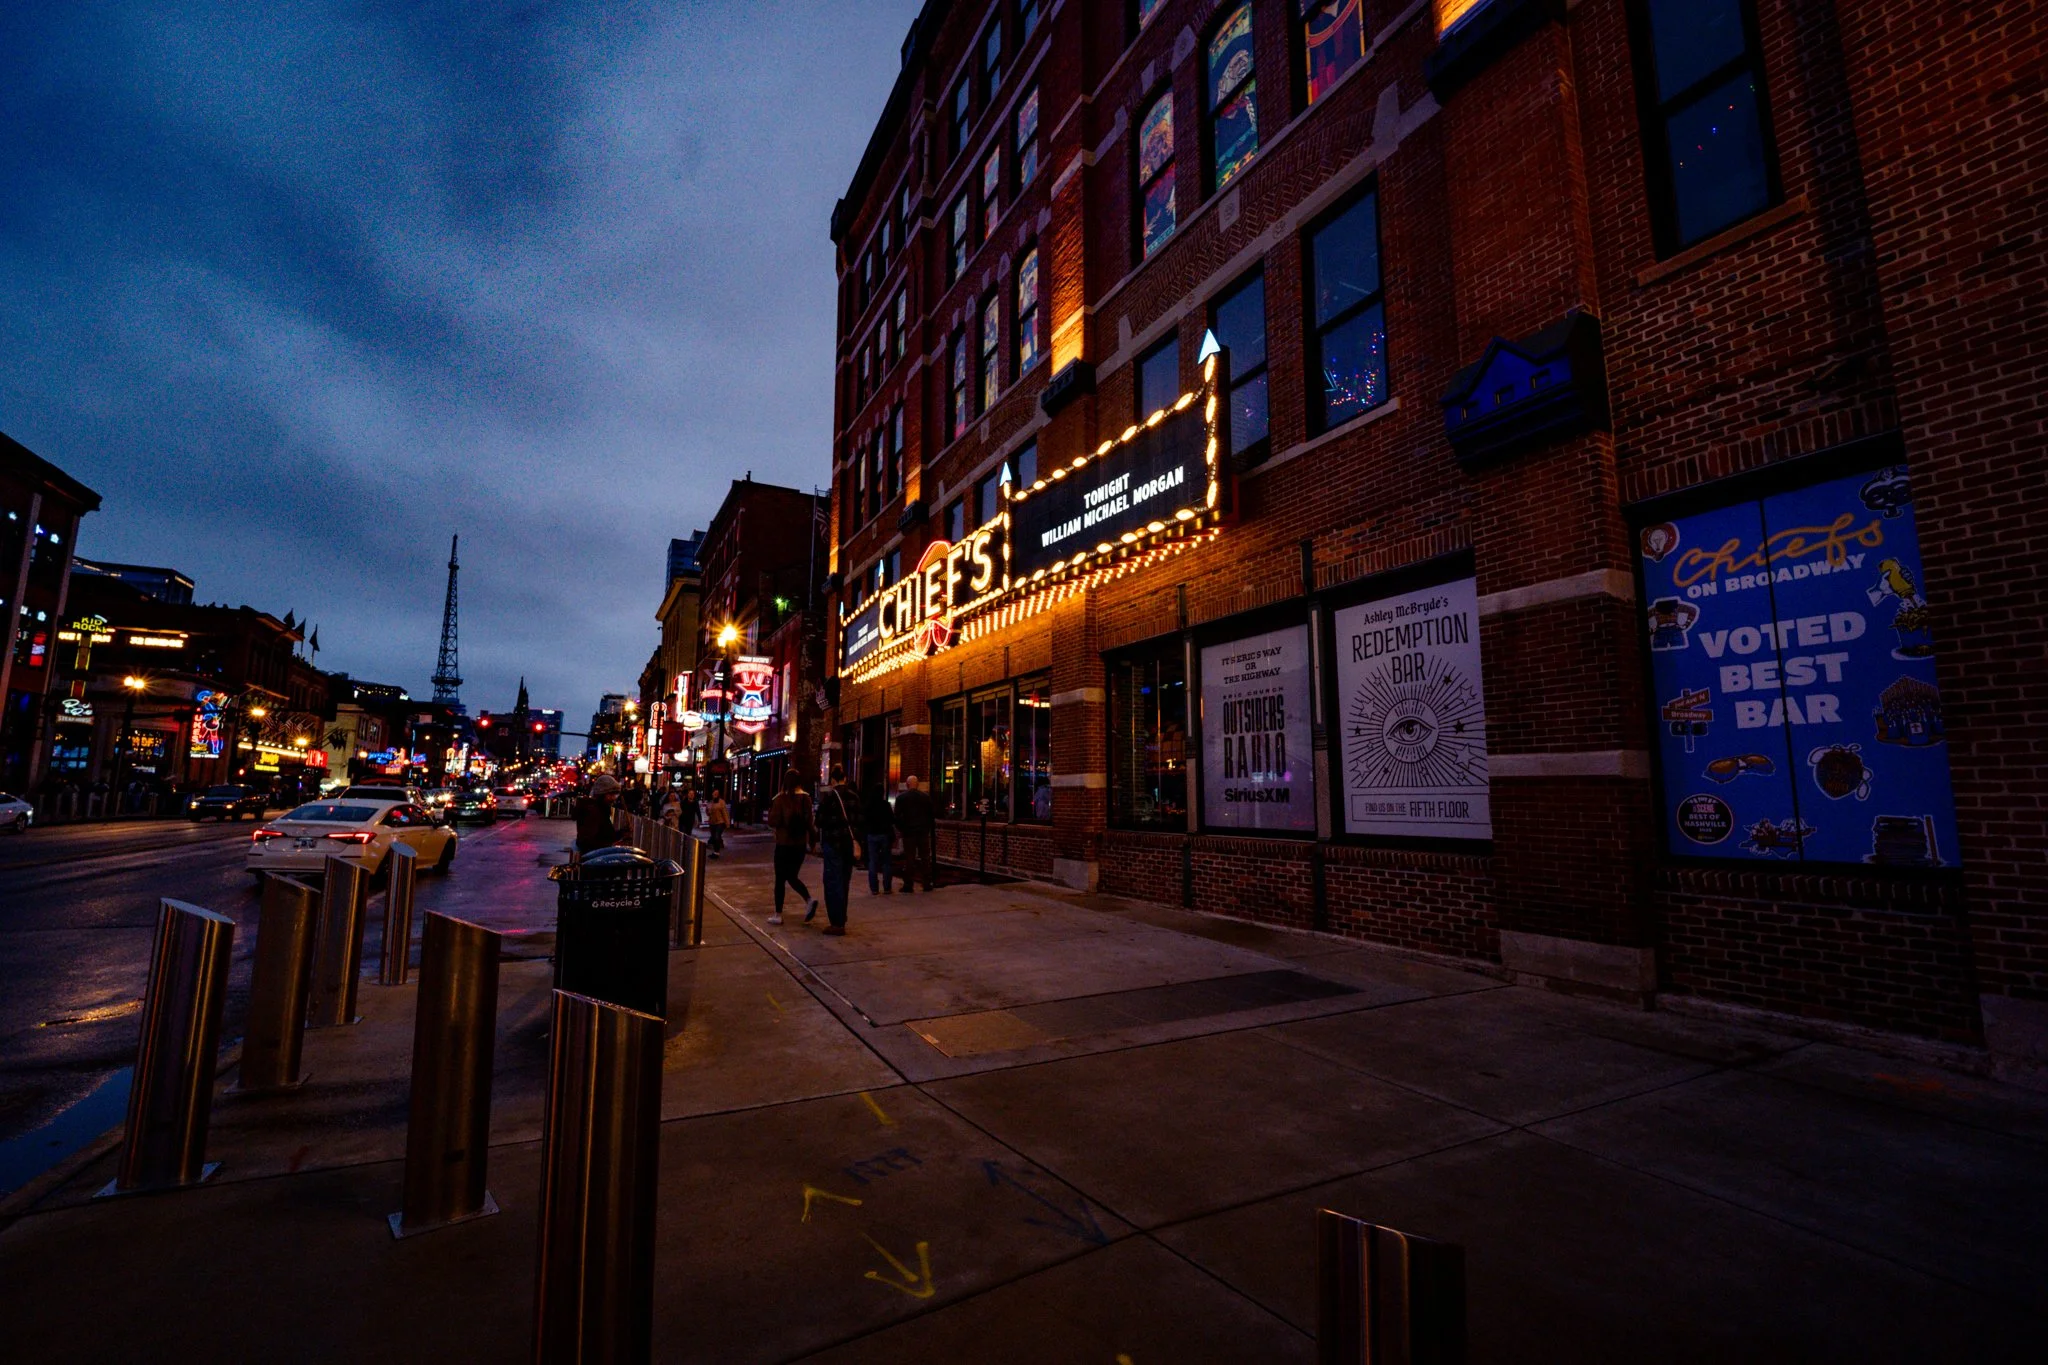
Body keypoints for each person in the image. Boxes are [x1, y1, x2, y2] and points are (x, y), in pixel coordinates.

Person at [765, 770, 820, 926]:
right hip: (800, 845)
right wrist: (812, 842)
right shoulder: (806, 798)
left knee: (780, 879)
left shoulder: (780, 799)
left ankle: (778, 914)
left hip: (784, 844)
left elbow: (773, 821)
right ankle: (808, 900)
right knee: (792, 875)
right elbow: (809, 822)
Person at [814, 765, 861, 936]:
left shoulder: (829, 798)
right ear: (845, 778)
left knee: (833, 882)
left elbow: (819, 821)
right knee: (844, 881)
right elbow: (860, 821)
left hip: (833, 845)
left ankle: (836, 921)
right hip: (849, 845)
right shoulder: (854, 797)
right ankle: (842, 917)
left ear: (832, 780)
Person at [893, 774, 935, 893]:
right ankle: (926, 883)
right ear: (917, 784)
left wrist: (902, 828)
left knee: (909, 858)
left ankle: (908, 884)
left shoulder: (901, 798)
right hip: (922, 832)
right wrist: (927, 828)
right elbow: (931, 815)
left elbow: (897, 817)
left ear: (907, 785)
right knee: (925, 858)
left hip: (909, 832)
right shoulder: (925, 797)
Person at [859, 762, 895, 896]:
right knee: (886, 861)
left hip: (872, 835)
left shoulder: (868, 805)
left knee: (873, 861)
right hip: (884, 834)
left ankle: (874, 888)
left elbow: (863, 820)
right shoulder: (885, 805)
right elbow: (892, 819)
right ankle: (887, 887)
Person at [574, 774, 625, 856]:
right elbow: (588, 841)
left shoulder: (602, 809)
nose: (613, 799)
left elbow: (605, 834)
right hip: (593, 857)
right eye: (610, 795)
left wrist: (622, 833)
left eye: (615, 795)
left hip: (597, 855)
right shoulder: (593, 811)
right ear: (602, 794)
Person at [705, 786, 730, 858]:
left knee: (717, 836)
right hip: (712, 823)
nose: (715, 794)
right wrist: (708, 811)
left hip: (720, 822)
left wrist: (727, 823)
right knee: (714, 837)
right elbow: (708, 813)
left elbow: (725, 813)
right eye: (714, 793)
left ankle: (716, 852)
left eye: (717, 793)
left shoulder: (721, 802)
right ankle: (715, 851)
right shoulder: (710, 802)